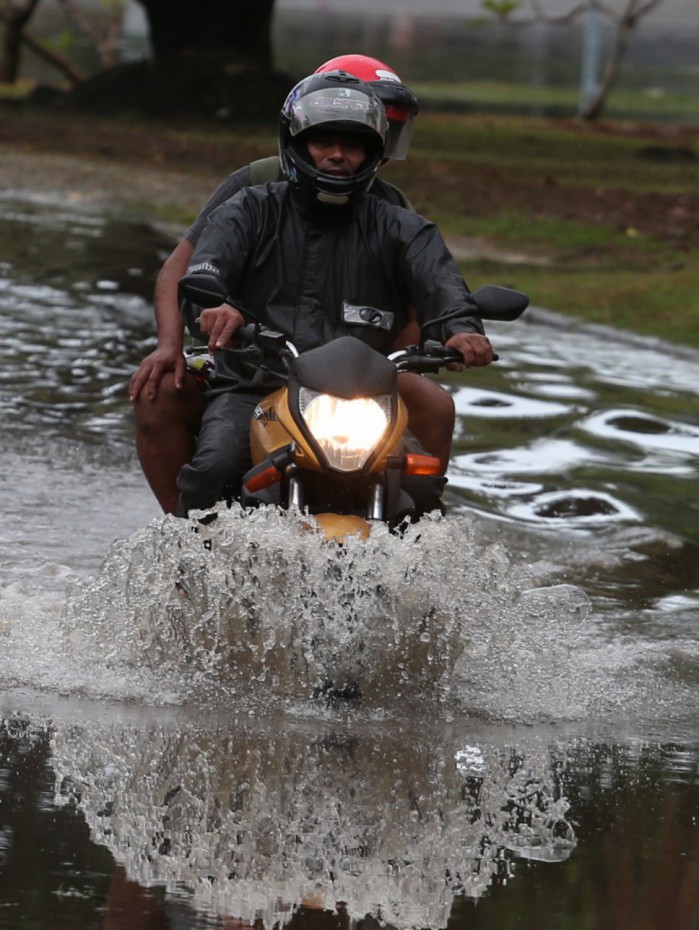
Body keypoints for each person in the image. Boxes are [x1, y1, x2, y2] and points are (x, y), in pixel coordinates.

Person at [129, 54, 455, 515]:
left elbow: (420, 301)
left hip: (350, 370)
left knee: (436, 405)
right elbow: (183, 271)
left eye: (366, 125)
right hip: (256, 357)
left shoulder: (389, 207)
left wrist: (395, 362)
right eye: (327, 131)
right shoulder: (255, 187)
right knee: (163, 393)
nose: (340, 147)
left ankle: (418, 532)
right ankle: (186, 534)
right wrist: (170, 344)